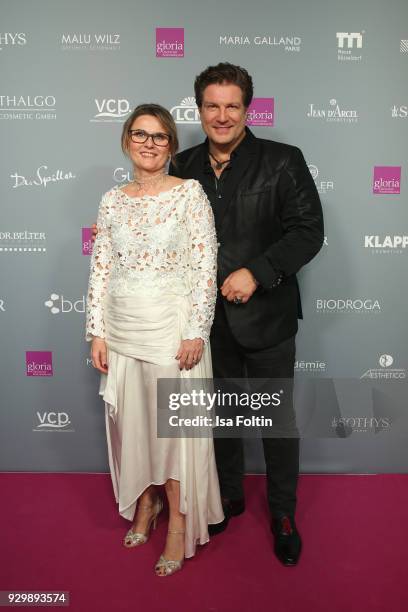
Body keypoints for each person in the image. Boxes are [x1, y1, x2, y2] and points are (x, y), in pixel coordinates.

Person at [168, 63, 324, 566]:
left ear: (247, 109)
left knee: (276, 421)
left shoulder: (283, 161)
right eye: (211, 105)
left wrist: (256, 273)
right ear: (198, 110)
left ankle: (282, 513)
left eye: (231, 105)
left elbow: (307, 231)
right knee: (218, 418)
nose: (221, 115)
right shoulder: (182, 164)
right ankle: (228, 497)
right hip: (203, 324)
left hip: (268, 316)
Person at [85, 103, 224, 577]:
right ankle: (145, 506)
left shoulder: (189, 195)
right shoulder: (111, 199)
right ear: (126, 140)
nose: (149, 143)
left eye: (160, 136)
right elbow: (101, 268)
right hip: (121, 330)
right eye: (140, 134)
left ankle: (179, 524)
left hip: (170, 330)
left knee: (171, 433)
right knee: (134, 428)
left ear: (171, 146)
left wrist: (195, 330)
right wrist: (97, 331)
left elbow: (206, 268)